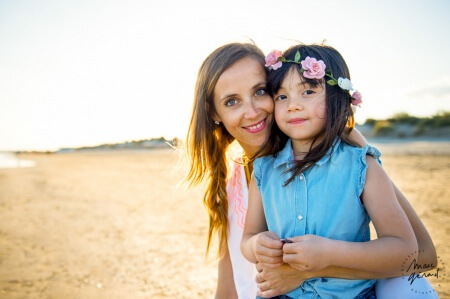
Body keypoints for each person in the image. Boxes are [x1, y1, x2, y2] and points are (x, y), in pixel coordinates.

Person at [186, 42, 438, 299]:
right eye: (231, 101)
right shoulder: (237, 183)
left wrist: (308, 271)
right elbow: (228, 281)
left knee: (410, 289)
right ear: (214, 112)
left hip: (352, 290)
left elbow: (422, 255)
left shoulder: (347, 146)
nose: (252, 111)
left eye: (260, 91)